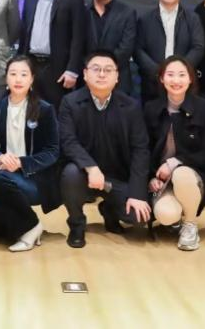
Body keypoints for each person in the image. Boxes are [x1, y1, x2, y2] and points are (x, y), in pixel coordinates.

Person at [59, 49, 151, 249]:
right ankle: (77, 224)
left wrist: (137, 193)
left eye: (108, 70)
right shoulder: (70, 103)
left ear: (117, 76)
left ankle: (109, 209)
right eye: (96, 69)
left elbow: (140, 150)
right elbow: (68, 141)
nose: (102, 74)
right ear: (85, 74)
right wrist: (91, 167)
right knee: (70, 173)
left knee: (140, 217)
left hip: (117, 178)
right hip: (84, 174)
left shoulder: (131, 107)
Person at [0, 56, 60, 252]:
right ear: (6, 78)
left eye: (24, 74)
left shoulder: (45, 110)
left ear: (32, 79)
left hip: (34, 180)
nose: (18, 79)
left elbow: (53, 151)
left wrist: (22, 163)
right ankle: (23, 227)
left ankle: (31, 226)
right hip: (4, 176)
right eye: (13, 74)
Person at [143, 56, 205, 251]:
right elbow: (143, 150)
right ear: (162, 79)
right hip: (163, 179)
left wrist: (174, 162)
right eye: (170, 75)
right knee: (166, 215)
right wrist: (151, 177)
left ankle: (190, 224)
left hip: (195, 176)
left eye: (181, 75)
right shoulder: (151, 109)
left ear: (190, 79)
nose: (176, 80)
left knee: (181, 173)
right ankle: (177, 218)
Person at [19, 0, 88, 109]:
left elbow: (79, 36)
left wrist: (72, 69)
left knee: (57, 114)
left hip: (59, 69)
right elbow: (24, 35)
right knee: (32, 112)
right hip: (32, 66)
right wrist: (21, 65)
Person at [135, 0, 205, 104]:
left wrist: (180, 72)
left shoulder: (192, 19)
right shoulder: (145, 19)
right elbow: (138, 50)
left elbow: (198, 47)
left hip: (184, 85)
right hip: (152, 84)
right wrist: (159, 73)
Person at [85, 0, 137, 95]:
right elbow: (77, 46)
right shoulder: (81, 12)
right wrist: (93, 70)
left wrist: (106, 69)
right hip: (87, 80)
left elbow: (126, 48)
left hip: (119, 80)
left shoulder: (127, 13)